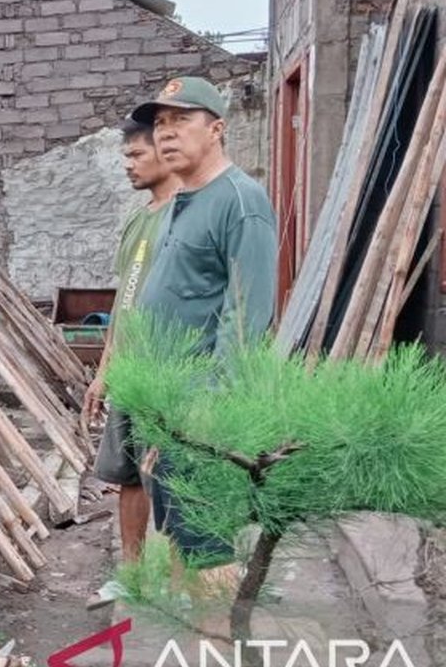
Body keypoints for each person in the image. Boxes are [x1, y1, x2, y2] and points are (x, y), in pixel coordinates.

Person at [128, 77, 278, 577]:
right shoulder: (181, 202)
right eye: (159, 124)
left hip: (203, 417)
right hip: (170, 413)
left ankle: (213, 642)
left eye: (181, 120)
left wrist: (208, 414)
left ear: (216, 129)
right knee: (175, 535)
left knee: (208, 551)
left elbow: (246, 317)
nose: (165, 134)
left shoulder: (240, 200)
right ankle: (188, 634)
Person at [84, 118, 182, 609]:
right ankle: (132, 574)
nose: (128, 166)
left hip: (175, 370)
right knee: (126, 475)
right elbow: (123, 300)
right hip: (130, 370)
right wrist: (105, 370)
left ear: (166, 155)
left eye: (135, 157)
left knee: (180, 477)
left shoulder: (189, 215)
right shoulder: (137, 219)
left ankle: (187, 587)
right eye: (125, 158)